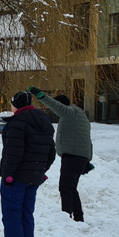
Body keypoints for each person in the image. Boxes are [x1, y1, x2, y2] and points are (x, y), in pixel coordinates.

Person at [0, 91, 56, 237]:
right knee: (26, 214)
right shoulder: (44, 122)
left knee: (12, 214)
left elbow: (12, 154)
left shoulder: (17, 123)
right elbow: (51, 152)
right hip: (34, 177)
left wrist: (8, 175)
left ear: (16, 104)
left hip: (16, 178)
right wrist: (40, 170)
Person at [29, 87, 93, 222]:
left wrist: (40, 95)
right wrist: (87, 159)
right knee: (71, 188)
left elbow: (55, 105)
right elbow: (87, 138)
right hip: (79, 156)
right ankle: (78, 217)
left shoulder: (69, 112)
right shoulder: (80, 115)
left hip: (72, 156)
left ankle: (66, 218)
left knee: (65, 188)